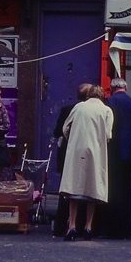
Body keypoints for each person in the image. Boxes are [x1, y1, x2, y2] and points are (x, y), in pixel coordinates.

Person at [60, 85, 114, 241]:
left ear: (88, 95)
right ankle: (88, 227)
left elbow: (65, 128)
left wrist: (74, 137)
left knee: (73, 190)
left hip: (76, 151)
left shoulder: (79, 107)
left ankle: (71, 227)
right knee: (92, 191)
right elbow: (108, 134)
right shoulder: (106, 111)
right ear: (102, 96)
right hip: (96, 153)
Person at [104, 77, 131, 239]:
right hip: (130, 153)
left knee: (112, 191)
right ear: (126, 88)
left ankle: (111, 229)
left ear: (112, 88)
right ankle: (124, 229)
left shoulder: (109, 103)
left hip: (113, 152)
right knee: (127, 191)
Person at [52, 83, 92, 237]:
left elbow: (58, 131)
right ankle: (81, 225)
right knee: (85, 191)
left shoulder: (67, 109)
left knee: (66, 191)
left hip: (67, 155)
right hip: (85, 155)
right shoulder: (93, 111)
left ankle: (61, 226)